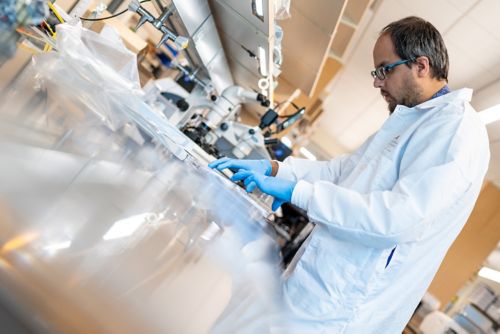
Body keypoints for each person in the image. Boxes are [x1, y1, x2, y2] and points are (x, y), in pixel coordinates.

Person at [209, 16, 490, 333]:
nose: (377, 82)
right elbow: (342, 170)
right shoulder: (411, 119)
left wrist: (297, 192)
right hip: (319, 287)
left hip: (345, 308)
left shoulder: (456, 130)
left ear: (421, 66)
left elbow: (397, 218)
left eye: (384, 70)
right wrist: (277, 169)